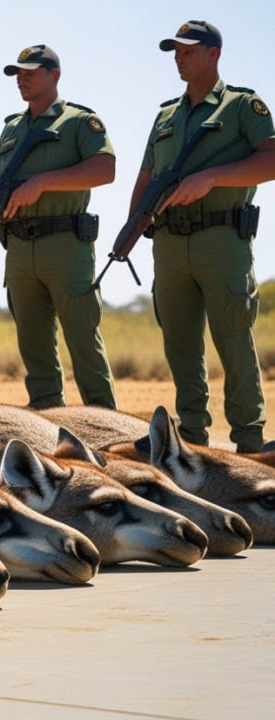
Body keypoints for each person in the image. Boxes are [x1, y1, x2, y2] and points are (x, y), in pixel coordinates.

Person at [133, 21, 275, 451]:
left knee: (233, 338)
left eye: (189, 51)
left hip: (222, 238)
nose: (180, 57)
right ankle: (192, 435)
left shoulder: (241, 107)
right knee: (180, 342)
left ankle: (249, 439)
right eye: (175, 51)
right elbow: (147, 175)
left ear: (214, 54)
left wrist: (214, 177)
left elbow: (271, 160)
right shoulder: (166, 116)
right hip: (170, 243)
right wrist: (136, 222)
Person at [0, 45, 118, 409]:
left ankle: (106, 425)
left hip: (65, 244)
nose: (22, 80)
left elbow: (105, 170)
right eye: (18, 74)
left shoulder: (78, 122)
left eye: (30, 72)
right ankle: (47, 419)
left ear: (54, 75)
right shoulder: (12, 128)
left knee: (82, 339)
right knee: (34, 345)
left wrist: (43, 182)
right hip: (18, 247)